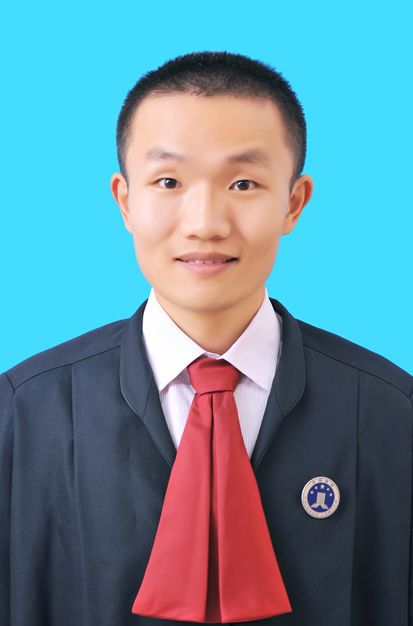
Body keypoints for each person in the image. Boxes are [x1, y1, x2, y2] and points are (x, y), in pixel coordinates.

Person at [1, 50, 412, 626]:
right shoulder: (24, 411)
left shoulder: (391, 412)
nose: (205, 223)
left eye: (243, 183)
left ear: (293, 202)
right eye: (169, 181)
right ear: (125, 200)